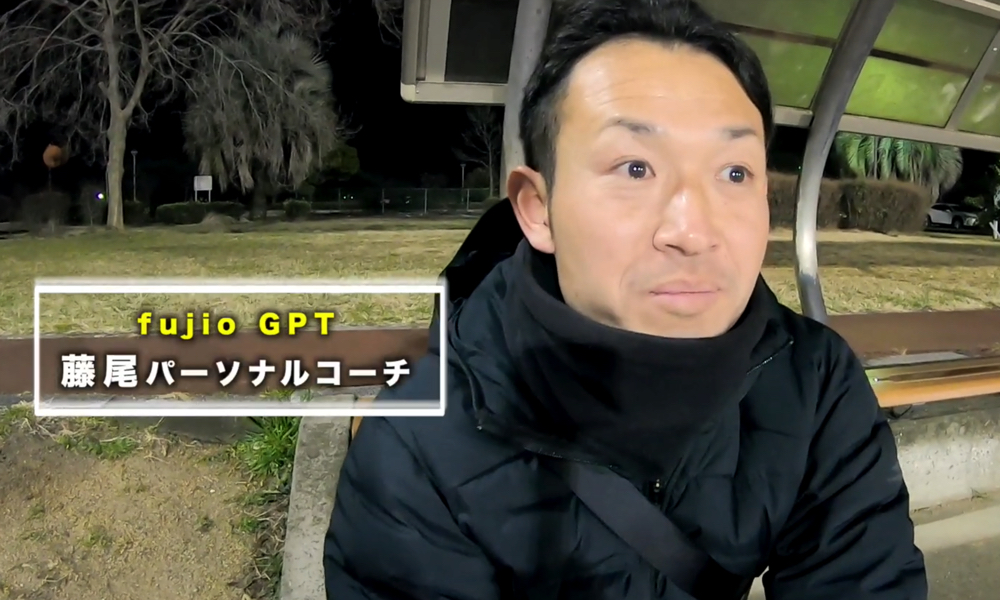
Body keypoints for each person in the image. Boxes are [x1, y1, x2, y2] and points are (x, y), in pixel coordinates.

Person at [323, 0, 928, 598]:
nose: (692, 231)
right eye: (636, 168)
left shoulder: (813, 381)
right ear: (538, 210)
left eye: (734, 173)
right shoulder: (417, 447)